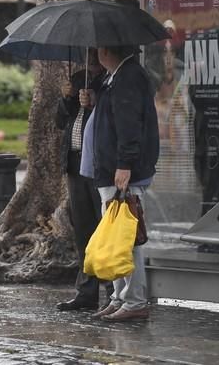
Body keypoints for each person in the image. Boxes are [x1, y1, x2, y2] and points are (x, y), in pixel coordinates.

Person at [79, 45, 159, 322]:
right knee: (116, 236)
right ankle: (119, 296)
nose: (96, 54)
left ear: (106, 51)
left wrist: (124, 164)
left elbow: (129, 126)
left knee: (126, 238)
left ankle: (135, 299)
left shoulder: (128, 77)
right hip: (109, 171)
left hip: (122, 173)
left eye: (99, 48)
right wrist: (94, 99)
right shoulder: (113, 78)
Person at [54, 49, 113, 311]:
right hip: (75, 162)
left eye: (95, 54)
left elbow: (113, 116)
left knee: (105, 227)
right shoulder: (79, 79)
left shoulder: (110, 81)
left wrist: (95, 101)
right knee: (83, 229)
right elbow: (60, 120)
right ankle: (86, 290)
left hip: (98, 163)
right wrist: (67, 98)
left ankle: (114, 290)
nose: (90, 60)